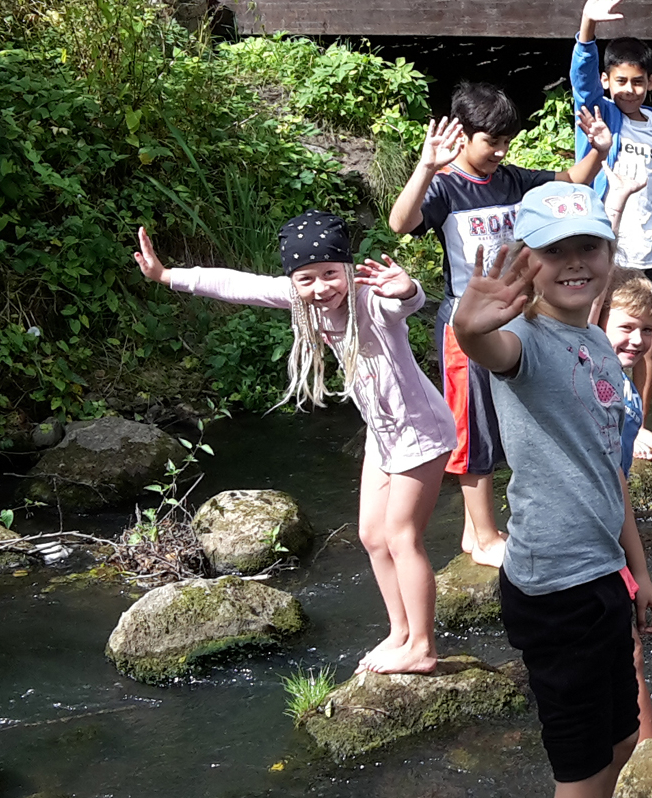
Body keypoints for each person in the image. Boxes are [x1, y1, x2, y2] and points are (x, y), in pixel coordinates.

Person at [450, 181, 652, 798]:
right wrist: (466, 324)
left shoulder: (599, 347)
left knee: (617, 741)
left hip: (601, 576)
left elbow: (613, 477)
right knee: (580, 774)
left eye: (589, 246)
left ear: (610, 253)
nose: (575, 262)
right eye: (556, 251)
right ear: (527, 261)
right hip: (555, 592)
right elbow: (487, 349)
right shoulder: (528, 345)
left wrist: (639, 577)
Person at [132, 213, 454, 674]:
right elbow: (238, 284)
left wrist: (406, 288)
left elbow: (404, 304)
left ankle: (422, 646)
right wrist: (167, 276)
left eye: (330, 274)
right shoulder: (303, 301)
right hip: (384, 434)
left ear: (347, 268)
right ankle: (399, 632)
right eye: (307, 279)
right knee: (371, 536)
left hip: (420, 431)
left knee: (402, 536)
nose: (321, 287)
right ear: (294, 281)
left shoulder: (370, 300)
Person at [387, 84, 612, 567]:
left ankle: (474, 528)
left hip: (520, 318)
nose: (501, 151)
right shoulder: (445, 187)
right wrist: (426, 167)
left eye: (507, 140)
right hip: (466, 325)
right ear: (463, 137)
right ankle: (485, 536)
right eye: (492, 141)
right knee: (476, 427)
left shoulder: (512, 180)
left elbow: (571, 183)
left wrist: (597, 151)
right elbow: (400, 222)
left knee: (516, 419)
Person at [571, 0, 652, 461]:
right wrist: (588, 27)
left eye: (637, 82)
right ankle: (601, 413)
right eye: (620, 80)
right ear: (607, 83)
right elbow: (580, 77)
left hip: (649, 249)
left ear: (650, 83)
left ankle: (638, 420)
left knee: (648, 337)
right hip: (606, 242)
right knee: (601, 331)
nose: (628, 89)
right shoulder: (598, 114)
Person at [601, 269, 652, 743]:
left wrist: (640, 571)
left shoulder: (624, 385)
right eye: (626, 327)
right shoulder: (588, 380)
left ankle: (640, 750)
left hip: (610, 526)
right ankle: (645, 755)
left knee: (628, 651)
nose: (638, 339)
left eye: (647, 329)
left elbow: (619, 480)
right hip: (586, 536)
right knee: (627, 653)